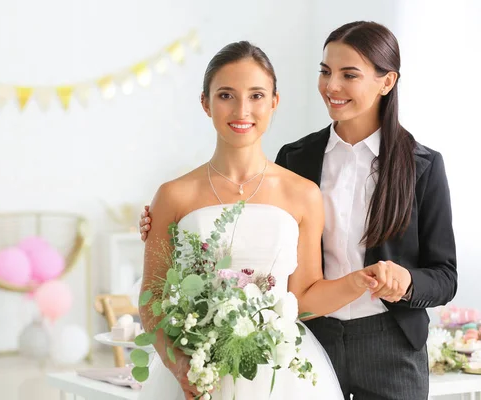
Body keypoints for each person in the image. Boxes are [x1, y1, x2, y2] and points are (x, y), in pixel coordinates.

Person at [140, 21, 458, 400]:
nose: (332, 86)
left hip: (388, 342)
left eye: (348, 75)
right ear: (206, 101)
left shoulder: (421, 165)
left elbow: (445, 274)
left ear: (386, 82)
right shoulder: (296, 158)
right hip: (312, 338)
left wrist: (403, 282)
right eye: (325, 72)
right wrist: (163, 225)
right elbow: (253, 232)